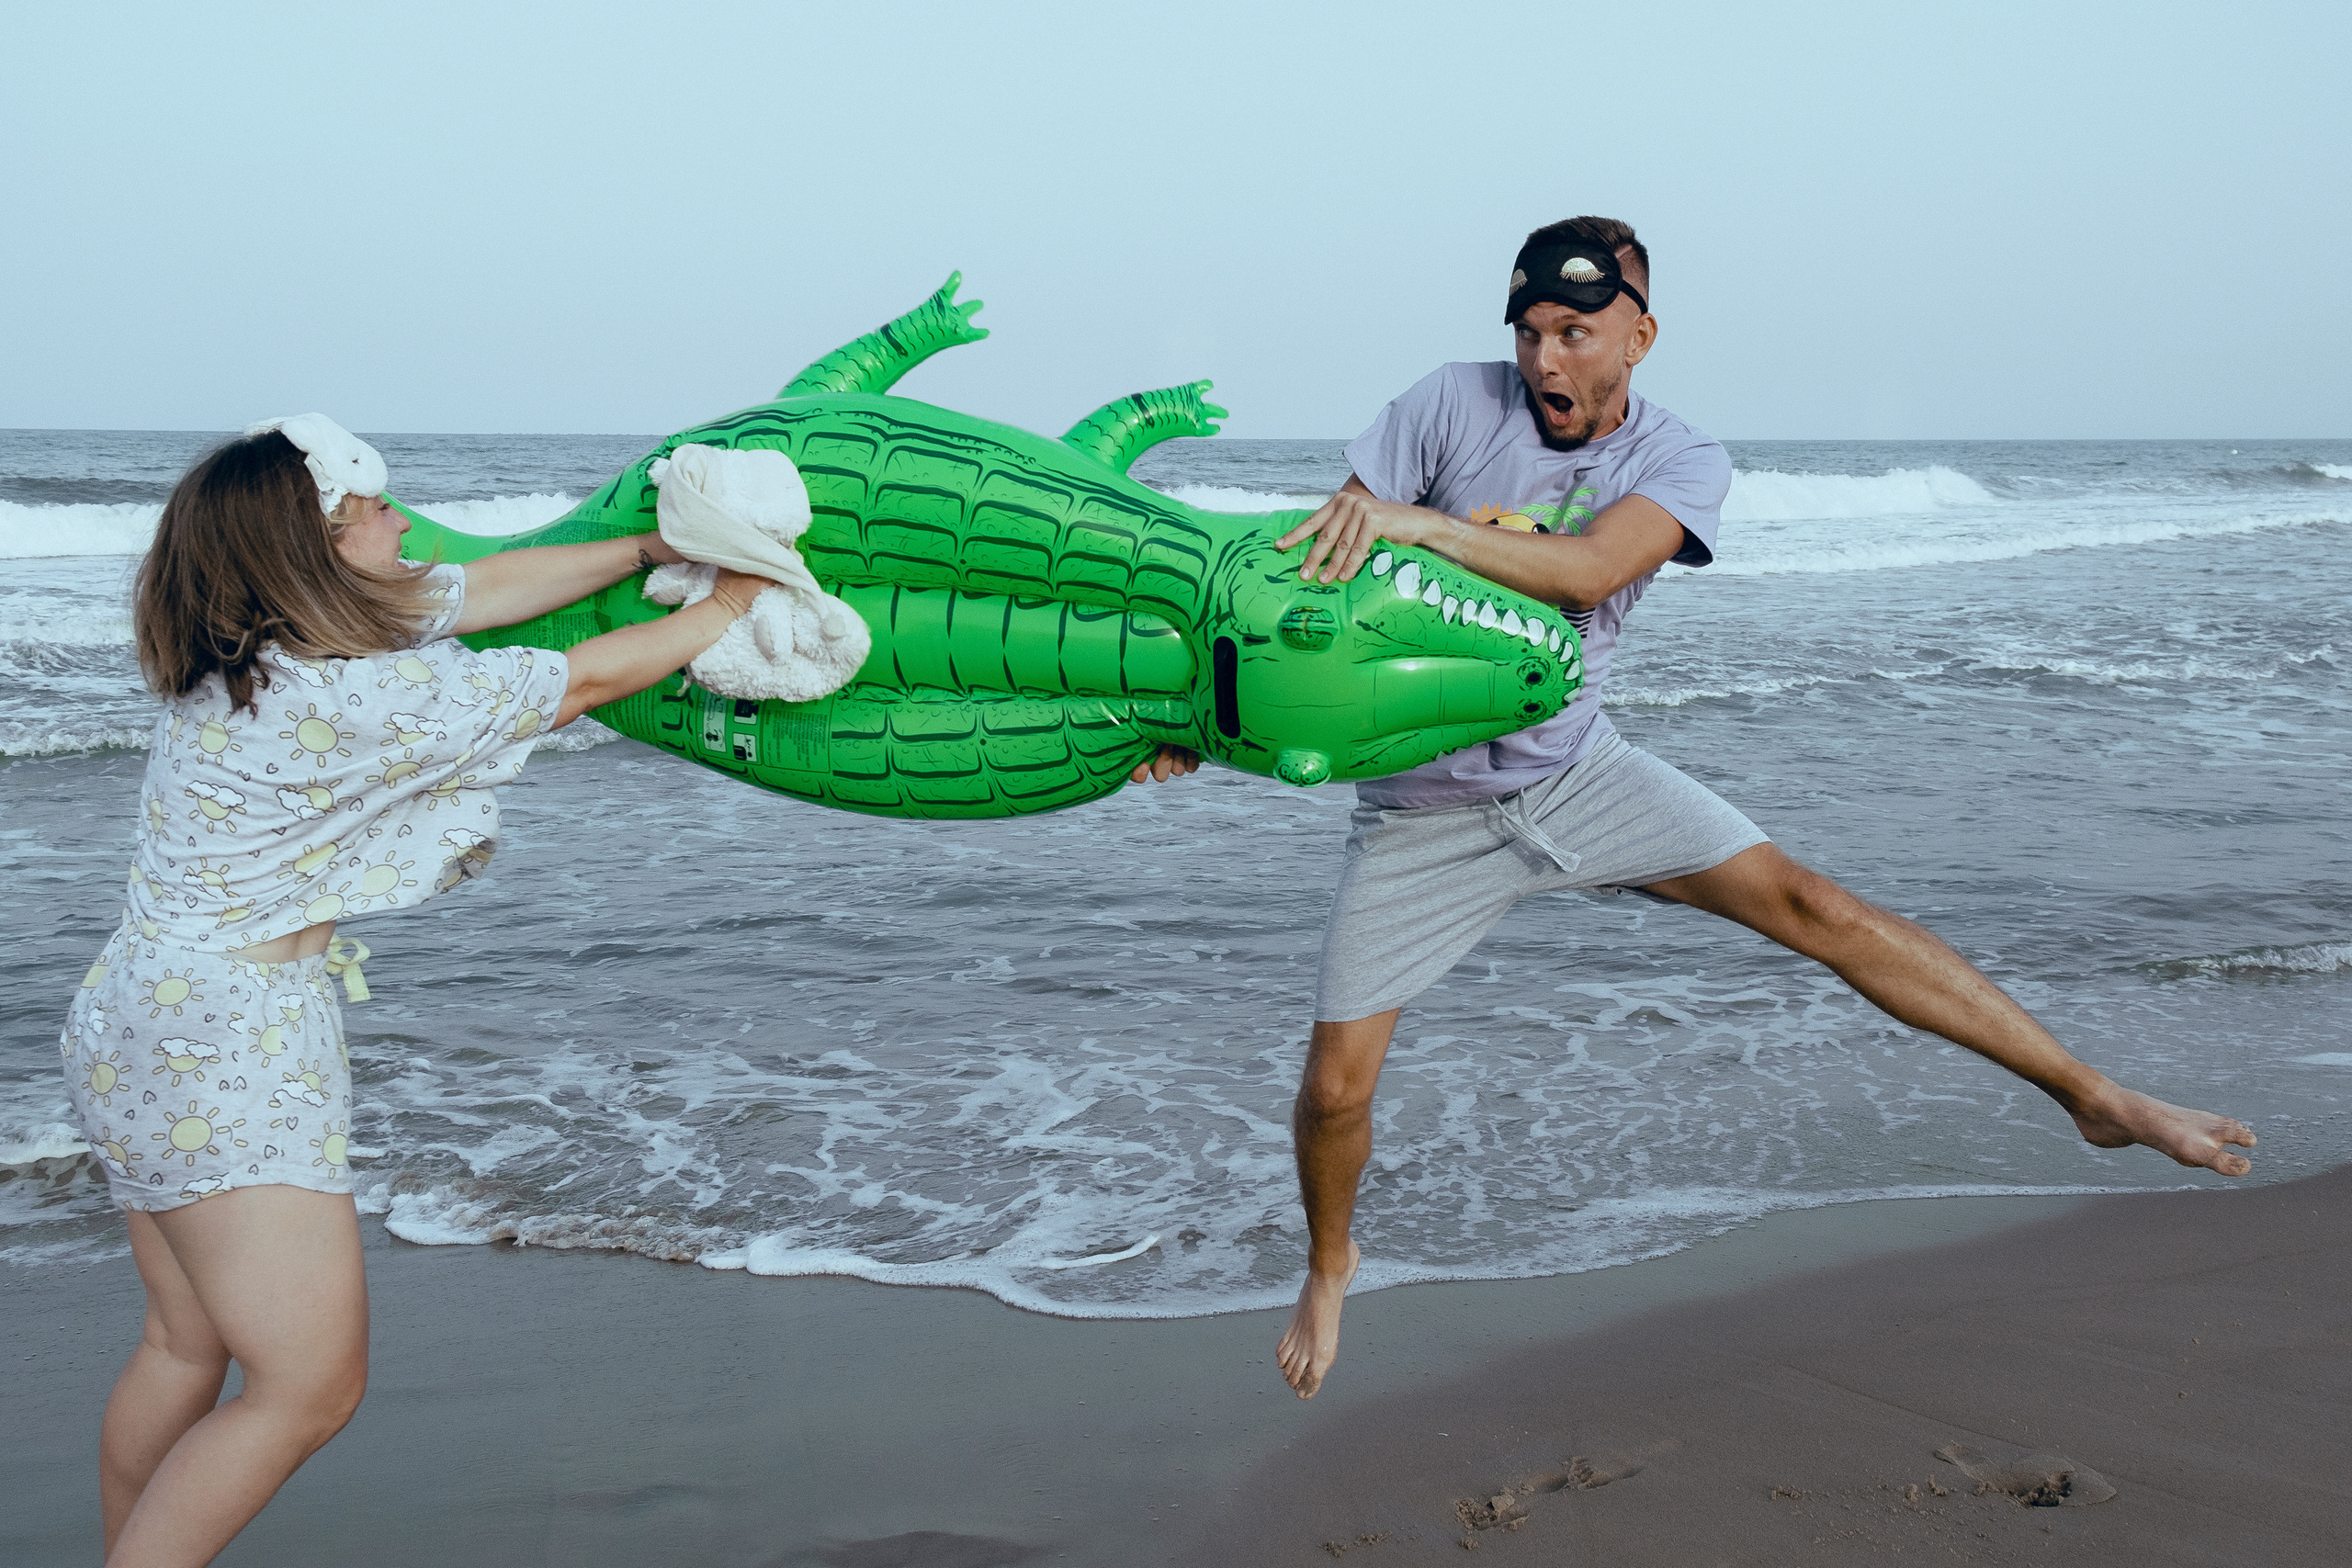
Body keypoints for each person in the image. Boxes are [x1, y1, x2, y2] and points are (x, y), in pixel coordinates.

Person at [1241, 216, 2258, 1398]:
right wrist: (1197, 722)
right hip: (1422, 810)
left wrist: (1418, 524)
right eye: (1527, 334)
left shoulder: (1678, 459)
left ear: (1641, 335)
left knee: (1812, 905)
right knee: (1333, 1092)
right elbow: (1302, 592)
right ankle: (1331, 1262)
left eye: (1575, 333)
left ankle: (2094, 1097)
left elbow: (1588, 571)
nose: (1544, 362)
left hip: (1577, 773)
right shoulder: (1442, 407)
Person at [60, 416, 779, 1565]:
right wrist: (740, 599)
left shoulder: (267, 653)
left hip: (134, 1015)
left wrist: (646, 551)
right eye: (377, 513)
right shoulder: (342, 699)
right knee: (306, 1390)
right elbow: (582, 678)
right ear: (318, 547)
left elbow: (486, 587)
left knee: (183, 1348)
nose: (403, 523)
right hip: (226, 1043)